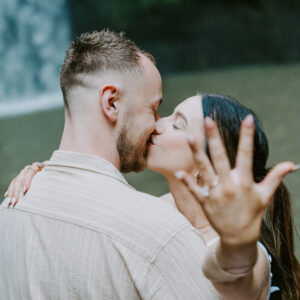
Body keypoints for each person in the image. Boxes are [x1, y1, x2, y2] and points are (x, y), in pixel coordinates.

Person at [1, 29, 299, 299]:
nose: (157, 124)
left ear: (208, 165)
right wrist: (54, 174)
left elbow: (240, 282)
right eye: (158, 111)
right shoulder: (153, 212)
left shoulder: (242, 251)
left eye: (177, 124)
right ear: (111, 104)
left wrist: (237, 245)